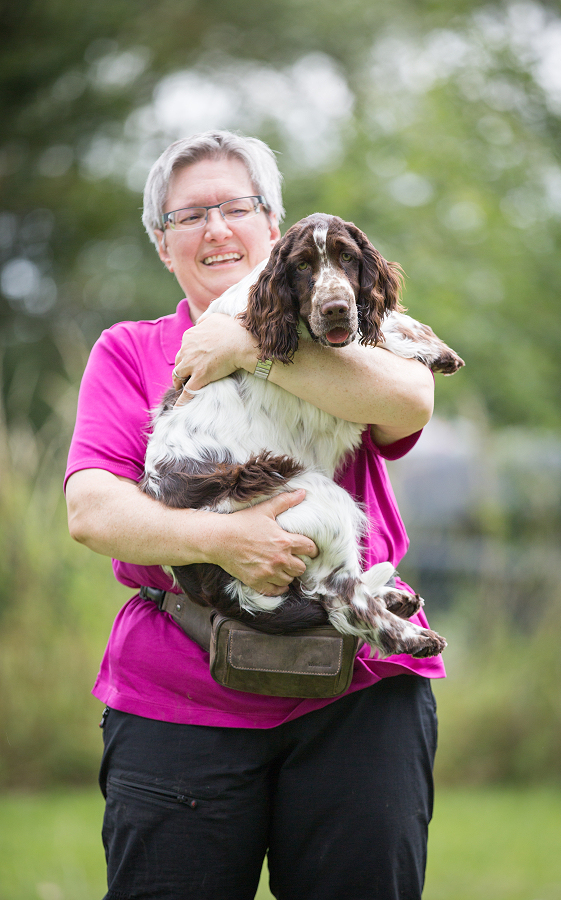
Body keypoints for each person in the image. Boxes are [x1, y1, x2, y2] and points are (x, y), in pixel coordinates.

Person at [65, 130, 445, 900]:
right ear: (162, 245)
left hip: (360, 694)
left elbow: (408, 400)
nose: (215, 229)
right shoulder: (130, 350)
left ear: (275, 228)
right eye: (187, 216)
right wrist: (222, 538)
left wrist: (249, 346)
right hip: (181, 688)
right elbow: (92, 509)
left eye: (236, 207)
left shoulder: (348, 330)